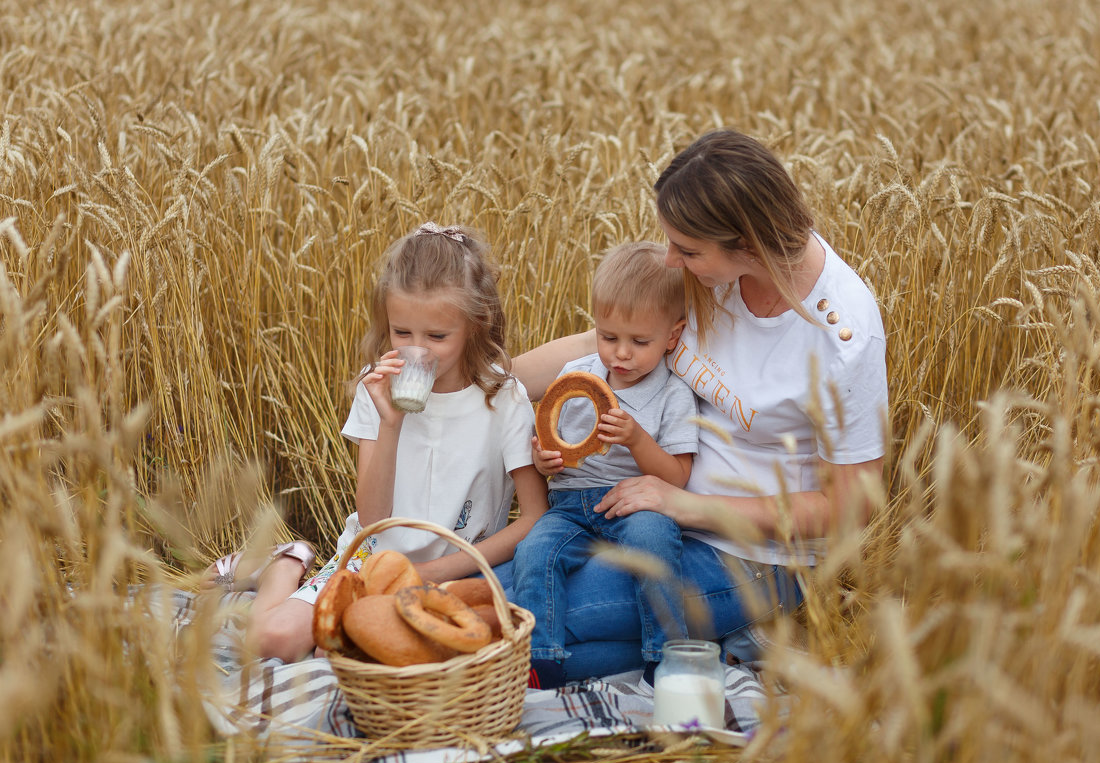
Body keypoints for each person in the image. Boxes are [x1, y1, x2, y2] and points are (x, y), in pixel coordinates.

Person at [512, 130, 888, 681]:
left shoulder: (842, 337)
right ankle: (714, 645)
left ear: (749, 244)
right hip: (646, 514)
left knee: (528, 620)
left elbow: (853, 505)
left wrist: (688, 506)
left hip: (753, 555)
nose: (671, 261)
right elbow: (603, 347)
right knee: (511, 588)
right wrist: (483, 381)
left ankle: (740, 631)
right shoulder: (711, 276)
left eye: (686, 250)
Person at [213, 221, 548, 663]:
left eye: (437, 336)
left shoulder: (502, 398)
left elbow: (533, 517)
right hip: (370, 561)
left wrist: (431, 572)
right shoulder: (377, 390)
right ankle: (287, 564)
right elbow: (373, 519)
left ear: (476, 323)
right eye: (401, 332)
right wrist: (390, 424)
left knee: (362, 654)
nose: (417, 351)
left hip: (453, 573)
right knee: (269, 641)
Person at [511, 242, 699, 689]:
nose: (621, 354)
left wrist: (636, 439)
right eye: (609, 337)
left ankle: (667, 656)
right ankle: (542, 661)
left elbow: (677, 476)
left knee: (655, 544)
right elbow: (547, 450)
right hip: (570, 503)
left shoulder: (673, 393)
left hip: (635, 503)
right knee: (533, 552)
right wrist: (542, 459)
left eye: (640, 342)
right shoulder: (576, 375)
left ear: (673, 336)